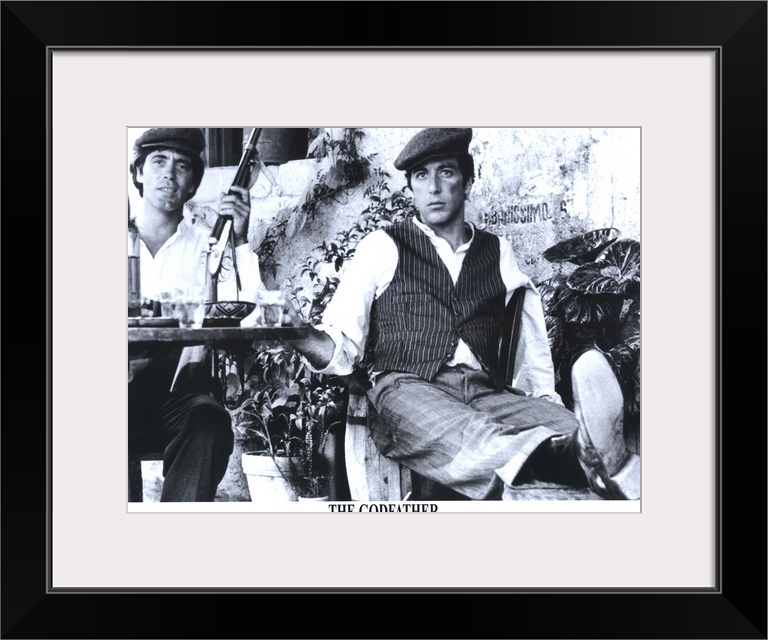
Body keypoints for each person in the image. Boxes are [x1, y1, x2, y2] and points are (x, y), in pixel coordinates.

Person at [285, 128, 639, 500]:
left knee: (565, 425)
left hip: (487, 392)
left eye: (446, 172)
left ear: (467, 182)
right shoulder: (383, 246)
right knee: (472, 433)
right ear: (411, 188)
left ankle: (594, 459)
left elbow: (528, 336)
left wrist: (540, 399)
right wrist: (295, 332)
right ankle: (569, 459)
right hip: (408, 390)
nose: (434, 187)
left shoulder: (497, 251)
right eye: (421, 176)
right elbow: (341, 342)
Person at [128, 127, 263, 501]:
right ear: (138, 173)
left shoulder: (209, 246)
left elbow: (250, 319)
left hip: (176, 396)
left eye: (182, 166)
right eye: (158, 162)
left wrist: (239, 239)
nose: (169, 174)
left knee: (209, 420)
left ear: (193, 184)